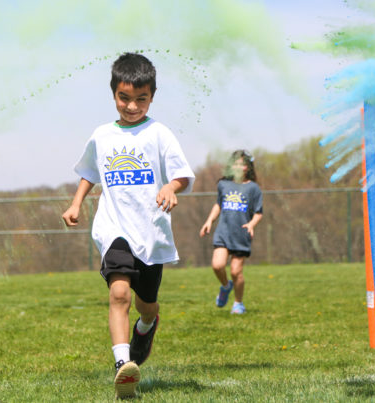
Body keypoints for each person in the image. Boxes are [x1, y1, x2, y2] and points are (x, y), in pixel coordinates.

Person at [62, 52, 194, 399]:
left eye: (141, 99)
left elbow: (182, 174)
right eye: (124, 97)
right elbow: (90, 172)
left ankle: (147, 326)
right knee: (119, 293)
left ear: (152, 96)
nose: (132, 106)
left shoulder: (159, 133)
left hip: (150, 231)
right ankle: (123, 365)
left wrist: (170, 187)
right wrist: (77, 203)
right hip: (114, 227)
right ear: (113, 94)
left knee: (145, 304)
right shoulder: (102, 135)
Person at [199, 150, 263, 314]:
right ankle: (226, 286)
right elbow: (218, 205)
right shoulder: (224, 185)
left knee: (236, 271)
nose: (238, 166)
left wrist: (251, 224)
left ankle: (238, 303)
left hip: (241, 235)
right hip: (224, 232)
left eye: (242, 163)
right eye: (235, 163)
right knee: (217, 265)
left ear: (247, 168)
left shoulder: (253, 188)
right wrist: (209, 221)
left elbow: (258, 212)